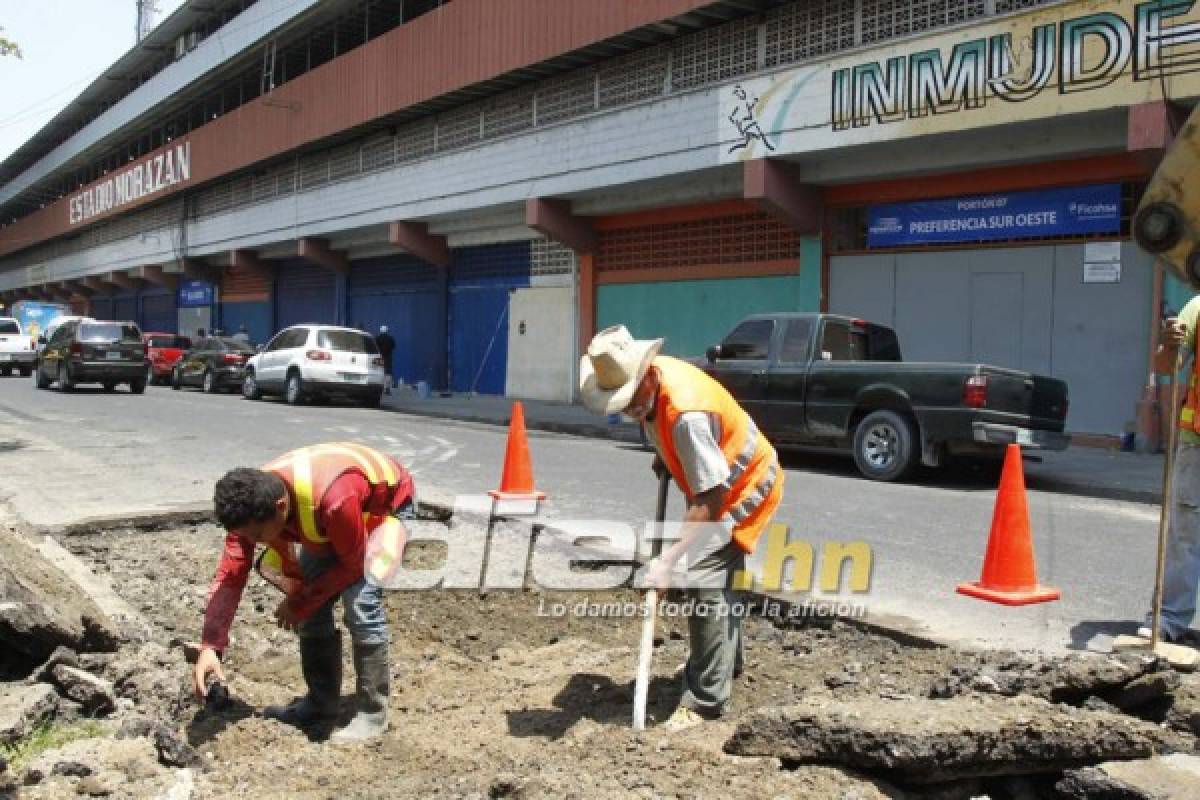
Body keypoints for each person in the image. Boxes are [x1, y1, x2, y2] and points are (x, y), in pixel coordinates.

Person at [578, 325, 783, 730]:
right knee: (723, 581)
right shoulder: (654, 385)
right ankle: (727, 663)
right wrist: (670, 458)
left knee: (704, 577)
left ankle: (705, 700)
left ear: (646, 375)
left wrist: (669, 560)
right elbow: (664, 426)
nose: (628, 411)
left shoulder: (687, 416)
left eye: (631, 402)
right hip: (714, 480)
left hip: (742, 488)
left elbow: (711, 498)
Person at [192, 442, 416, 741]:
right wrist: (211, 646)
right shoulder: (253, 508)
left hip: (382, 509)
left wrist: (299, 603)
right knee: (312, 602)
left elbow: (351, 566)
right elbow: (231, 575)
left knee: (360, 603)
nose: (254, 542)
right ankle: (321, 704)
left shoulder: (331, 500)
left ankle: (373, 715)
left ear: (281, 509)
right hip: (337, 519)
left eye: (258, 536)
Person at [1141, 297, 1200, 644]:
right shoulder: (1198, 308)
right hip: (1198, 443)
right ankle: (1168, 619)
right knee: (1186, 537)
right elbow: (1167, 365)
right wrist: (1169, 342)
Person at [376, 325, 396, 394]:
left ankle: (379, 387)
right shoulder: (390, 339)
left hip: (379, 357)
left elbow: (375, 347)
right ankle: (387, 388)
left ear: (380, 330)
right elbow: (393, 346)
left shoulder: (377, 338)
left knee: (379, 371)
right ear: (387, 331)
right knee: (388, 373)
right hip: (388, 357)